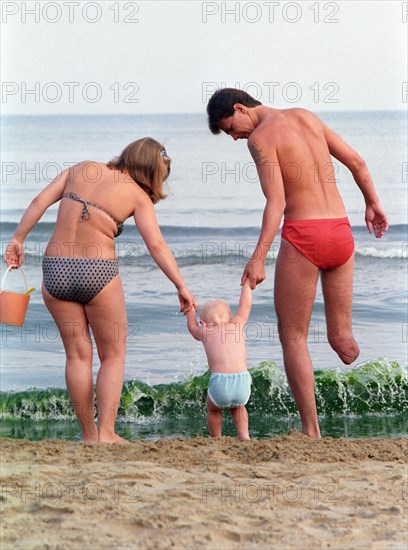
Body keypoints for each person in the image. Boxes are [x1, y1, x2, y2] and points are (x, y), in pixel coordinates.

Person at [207, 88, 389, 438]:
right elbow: (358, 162)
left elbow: (276, 203)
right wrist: (372, 203)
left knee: (293, 336)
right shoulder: (307, 116)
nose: (235, 137)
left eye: (231, 128)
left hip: (304, 235)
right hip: (340, 232)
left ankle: (311, 429)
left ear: (240, 109)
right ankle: (348, 347)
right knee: (341, 340)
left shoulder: (260, 138)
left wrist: (258, 258)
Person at [4, 137, 196, 444]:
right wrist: (181, 285)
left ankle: (89, 435)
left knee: (77, 356)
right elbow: (157, 246)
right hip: (98, 272)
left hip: (55, 269)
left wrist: (17, 239)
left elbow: (39, 202)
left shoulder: (81, 168)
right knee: (113, 355)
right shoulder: (137, 197)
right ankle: (107, 432)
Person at [186, 282, 252, 441]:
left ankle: (217, 438)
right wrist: (247, 285)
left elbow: (191, 327)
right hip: (243, 380)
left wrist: (190, 309)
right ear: (230, 317)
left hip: (220, 382)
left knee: (214, 410)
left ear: (204, 323)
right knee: (239, 408)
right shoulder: (237, 325)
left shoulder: (205, 331)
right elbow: (246, 305)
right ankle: (244, 436)